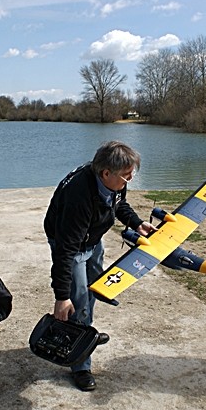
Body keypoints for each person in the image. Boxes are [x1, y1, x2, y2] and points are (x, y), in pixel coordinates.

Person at [43, 141, 157, 391]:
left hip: (92, 238)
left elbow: (118, 204)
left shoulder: (111, 179)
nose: (129, 180)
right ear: (106, 173)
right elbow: (65, 251)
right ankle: (80, 364)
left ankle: (84, 332)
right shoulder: (78, 197)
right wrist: (61, 297)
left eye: (131, 175)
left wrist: (137, 223)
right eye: (126, 176)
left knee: (94, 287)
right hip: (71, 245)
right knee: (78, 299)